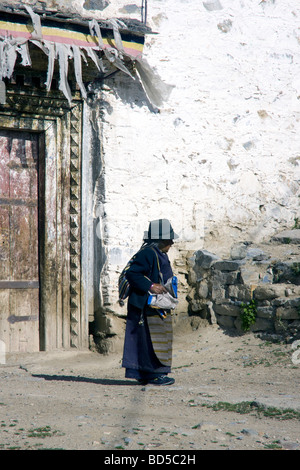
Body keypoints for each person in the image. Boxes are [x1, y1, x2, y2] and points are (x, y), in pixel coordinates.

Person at [122, 219, 178, 386]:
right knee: (150, 340)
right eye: (169, 240)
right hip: (145, 307)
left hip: (155, 305)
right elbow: (132, 274)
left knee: (154, 339)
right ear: (159, 240)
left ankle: (148, 374)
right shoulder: (148, 253)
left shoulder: (160, 254)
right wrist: (151, 286)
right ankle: (154, 375)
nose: (172, 243)